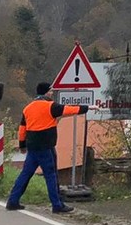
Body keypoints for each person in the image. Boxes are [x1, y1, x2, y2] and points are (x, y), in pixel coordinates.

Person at [5, 82, 89, 213]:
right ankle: (57, 205)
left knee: (25, 174)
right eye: (50, 91)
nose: (52, 93)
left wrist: (22, 145)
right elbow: (69, 109)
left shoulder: (28, 108)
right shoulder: (50, 106)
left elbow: (22, 129)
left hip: (32, 146)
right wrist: (87, 108)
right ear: (45, 92)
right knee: (51, 175)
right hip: (46, 146)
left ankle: (12, 201)